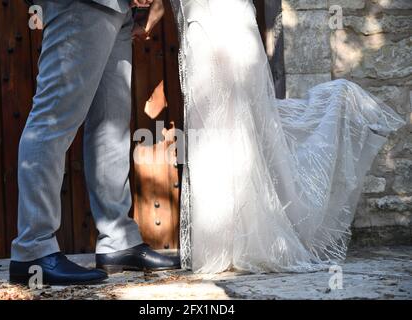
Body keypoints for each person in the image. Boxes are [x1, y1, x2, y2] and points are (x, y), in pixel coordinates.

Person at [138, 0, 406, 273]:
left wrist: (148, 22)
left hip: (231, 27)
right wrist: (149, 21)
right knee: (214, 132)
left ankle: (244, 242)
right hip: (208, 30)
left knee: (242, 129)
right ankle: (223, 243)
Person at [10, 0, 180, 286]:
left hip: (119, 8)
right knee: (52, 118)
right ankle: (33, 249)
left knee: (110, 123)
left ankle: (118, 240)